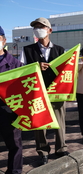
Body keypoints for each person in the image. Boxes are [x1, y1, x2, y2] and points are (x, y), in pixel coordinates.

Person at [19, 17, 68, 165]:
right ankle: (43, 151)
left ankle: (61, 148)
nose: (38, 29)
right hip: (37, 92)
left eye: (41, 26)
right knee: (40, 124)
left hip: (57, 92)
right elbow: (21, 71)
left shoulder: (60, 50)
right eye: (35, 27)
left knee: (59, 121)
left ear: (49, 30)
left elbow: (67, 71)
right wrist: (36, 67)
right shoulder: (27, 50)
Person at [0, 26, 23, 174]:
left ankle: (14, 171)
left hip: (9, 110)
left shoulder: (15, 64)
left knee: (14, 144)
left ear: (3, 40)